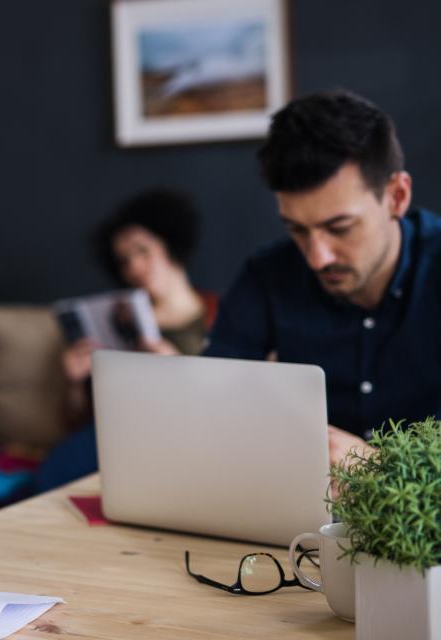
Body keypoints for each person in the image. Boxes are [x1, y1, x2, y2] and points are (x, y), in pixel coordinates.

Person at [205, 89, 441, 467]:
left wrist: (376, 468)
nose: (317, 258)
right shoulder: (268, 275)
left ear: (397, 196)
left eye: (340, 228)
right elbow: (210, 401)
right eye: (297, 229)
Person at [36, 189, 213, 492]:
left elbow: (229, 404)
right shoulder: (121, 322)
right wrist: (74, 382)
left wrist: (178, 368)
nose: (134, 267)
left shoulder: (220, 315)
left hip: (186, 435)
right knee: (52, 477)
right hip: (121, 432)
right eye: (124, 260)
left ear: (170, 245)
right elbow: (78, 421)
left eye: (143, 251)